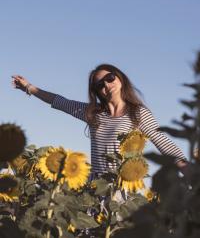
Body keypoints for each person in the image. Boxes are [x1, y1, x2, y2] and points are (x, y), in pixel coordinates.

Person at [12, 64, 188, 176]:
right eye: (99, 85)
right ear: (96, 92)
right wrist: (29, 87)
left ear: (119, 78)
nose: (106, 85)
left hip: (123, 185)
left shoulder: (138, 113)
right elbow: (60, 102)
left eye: (110, 78)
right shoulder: (92, 113)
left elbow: (164, 143)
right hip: (96, 186)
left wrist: (189, 171)